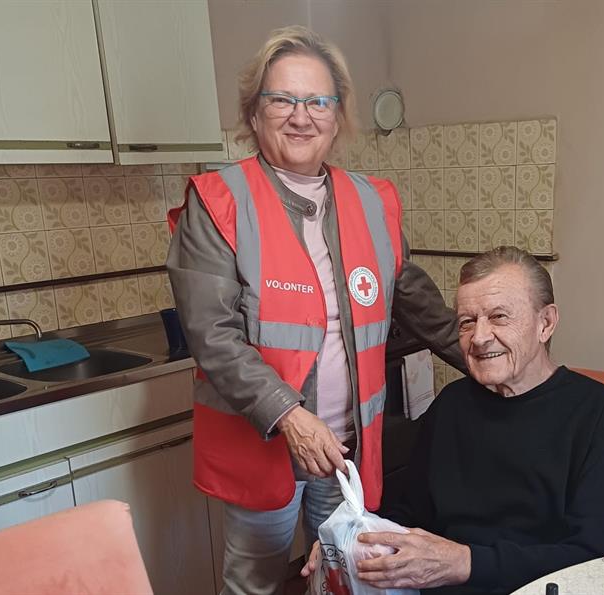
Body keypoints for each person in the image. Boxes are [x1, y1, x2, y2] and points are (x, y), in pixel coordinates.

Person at [165, 25, 464, 595]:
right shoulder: (218, 201)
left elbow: (417, 302)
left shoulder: (373, 201)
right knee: (255, 583)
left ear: (338, 114)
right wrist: (290, 416)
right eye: (282, 99)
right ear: (254, 113)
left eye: (318, 101)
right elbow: (213, 335)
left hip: (347, 446)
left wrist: (491, 362)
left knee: (344, 578)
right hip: (267, 445)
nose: (301, 117)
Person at [304, 246, 604, 594]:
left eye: (499, 317)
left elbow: (598, 556)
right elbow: (408, 509)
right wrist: (350, 539)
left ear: (546, 323)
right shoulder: (451, 404)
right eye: (466, 322)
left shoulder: (598, 412)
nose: (479, 337)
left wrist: (465, 563)